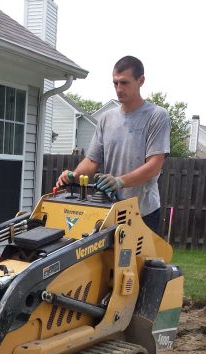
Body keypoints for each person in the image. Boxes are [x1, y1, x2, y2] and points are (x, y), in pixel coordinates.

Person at [57, 56, 170, 234]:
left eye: (124, 83)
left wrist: (119, 181)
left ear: (141, 80)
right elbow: (92, 161)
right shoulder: (107, 119)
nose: (119, 89)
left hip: (143, 212)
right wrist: (74, 175)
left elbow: (154, 166)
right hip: (110, 209)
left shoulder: (156, 116)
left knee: (140, 262)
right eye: (115, 83)